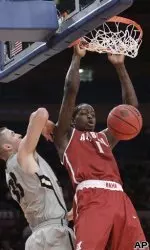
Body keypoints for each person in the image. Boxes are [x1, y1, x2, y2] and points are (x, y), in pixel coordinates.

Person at [52, 45, 148, 250]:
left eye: (93, 113)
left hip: (121, 198)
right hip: (91, 197)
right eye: (84, 112)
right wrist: (77, 57)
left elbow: (130, 111)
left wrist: (120, 66)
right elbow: (70, 91)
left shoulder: (104, 138)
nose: (91, 115)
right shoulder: (65, 137)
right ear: (72, 120)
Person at [0, 108, 75, 250]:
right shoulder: (22, 155)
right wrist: (44, 126)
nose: (19, 134)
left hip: (38, 238)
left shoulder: (10, 171)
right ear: (7, 146)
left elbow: (41, 206)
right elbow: (40, 113)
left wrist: (67, 215)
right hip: (54, 236)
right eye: (12, 134)